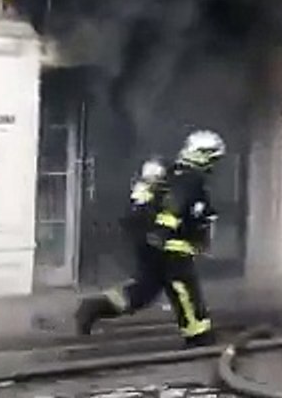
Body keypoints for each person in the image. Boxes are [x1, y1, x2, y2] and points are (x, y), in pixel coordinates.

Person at [75, 130, 225, 346]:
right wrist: (164, 235)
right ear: (203, 155)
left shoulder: (174, 174)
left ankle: (93, 308)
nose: (214, 165)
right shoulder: (189, 179)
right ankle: (198, 336)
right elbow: (174, 209)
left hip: (154, 243)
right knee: (183, 288)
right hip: (172, 246)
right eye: (213, 159)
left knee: (142, 292)